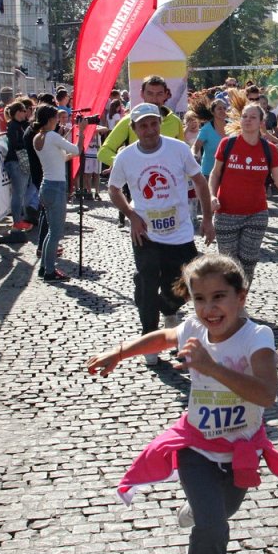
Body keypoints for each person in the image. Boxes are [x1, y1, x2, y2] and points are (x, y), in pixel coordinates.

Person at [87, 254, 278, 554]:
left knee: (216, 516)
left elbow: (267, 393)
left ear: (240, 297)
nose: (209, 308)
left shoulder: (257, 337)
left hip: (240, 454)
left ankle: (197, 511)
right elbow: (164, 337)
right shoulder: (194, 330)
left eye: (219, 297)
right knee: (214, 529)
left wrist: (212, 367)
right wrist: (119, 353)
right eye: (199, 299)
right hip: (195, 448)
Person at [108, 102, 215, 365]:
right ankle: (149, 339)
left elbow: (200, 181)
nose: (150, 130)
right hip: (146, 234)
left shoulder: (177, 149)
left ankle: (168, 309)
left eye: (153, 123)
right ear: (134, 129)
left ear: (159, 124)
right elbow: (113, 189)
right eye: (143, 125)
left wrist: (208, 219)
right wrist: (132, 215)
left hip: (179, 233)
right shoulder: (126, 157)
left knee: (186, 286)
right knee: (147, 283)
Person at [208, 104, 278, 285]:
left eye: (253, 117)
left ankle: (240, 302)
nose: (247, 120)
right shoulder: (227, 144)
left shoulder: (269, 149)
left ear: (261, 122)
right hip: (225, 212)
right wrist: (212, 196)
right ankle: (229, 302)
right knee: (227, 263)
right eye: (245, 116)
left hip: (256, 213)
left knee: (248, 261)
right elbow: (215, 174)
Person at [32, 104, 83, 282]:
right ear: (49, 119)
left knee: (50, 232)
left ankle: (45, 267)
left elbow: (61, 157)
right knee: (55, 233)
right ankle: (49, 271)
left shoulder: (39, 137)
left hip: (46, 186)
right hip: (55, 187)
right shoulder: (52, 136)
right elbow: (77, 150)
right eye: (55, 118)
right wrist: (82, 131)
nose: (58, 121)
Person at [99, 76, 184, 168]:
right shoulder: (129, 120)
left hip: (170, 180)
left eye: (159, 94)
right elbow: (103, 152)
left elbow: (183, 153)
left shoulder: (175, 121)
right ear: (142, 94)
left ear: (166, 95)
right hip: (137, 180)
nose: (154, 99)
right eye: (150, 93)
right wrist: (122, 163)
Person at [2, 101, 34, 231]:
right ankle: (17, 221)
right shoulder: (13, 126)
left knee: (21, 192)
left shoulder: (22, 125)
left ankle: (20, 218)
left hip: (20, 161)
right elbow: (15, 143)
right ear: (17, 112)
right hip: (16, 161)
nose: (25, 113)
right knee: (18, 193)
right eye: (23, 111)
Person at [192, 98, 228, 179]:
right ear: (213, 112)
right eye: (219, 108)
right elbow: (196, 146)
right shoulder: (206, 129)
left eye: (225, 108)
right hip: (209, 173)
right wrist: (194, 154)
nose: (223, 110)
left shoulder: (232, 126)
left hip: (229, 173)